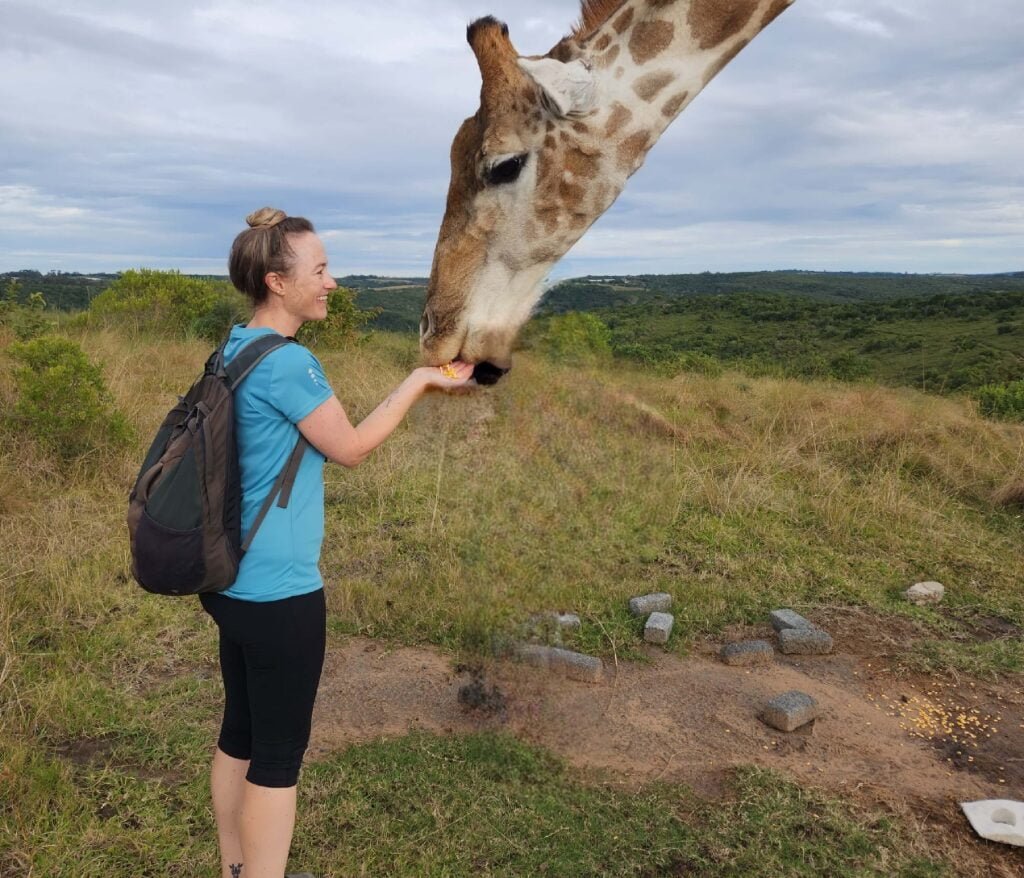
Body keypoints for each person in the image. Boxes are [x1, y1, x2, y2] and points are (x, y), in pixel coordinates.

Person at [199, 207, 473, 878]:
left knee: (240, 732)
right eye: (318, 270)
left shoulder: (234, 345)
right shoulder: (290, 364)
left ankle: (234, 869)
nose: (331, 282)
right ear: (276, 282)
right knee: (278, 755)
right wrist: (418, 381)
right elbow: (348, 447)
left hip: (227, 580)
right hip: (279, 594)